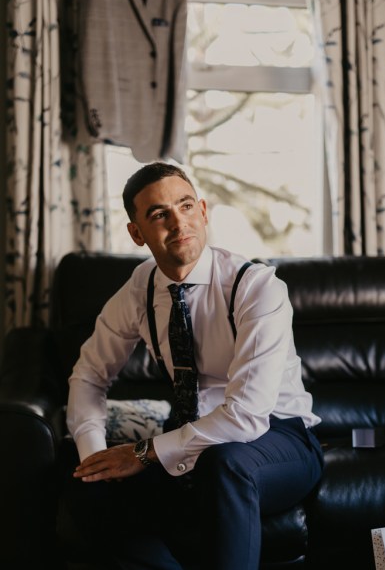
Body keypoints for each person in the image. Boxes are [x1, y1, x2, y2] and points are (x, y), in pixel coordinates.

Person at [66, 161, 323, 570]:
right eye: (158, 214)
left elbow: (247, 416)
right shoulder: (140, 288)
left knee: (226, 464)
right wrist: (95, 457)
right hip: (191, 438)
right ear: (136, 233)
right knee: (85, 488)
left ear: (203, 212)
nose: (178, 222)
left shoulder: (256, 287)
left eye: (186, 206)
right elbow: (89, 375)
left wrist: (144, 453)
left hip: (279, 439)